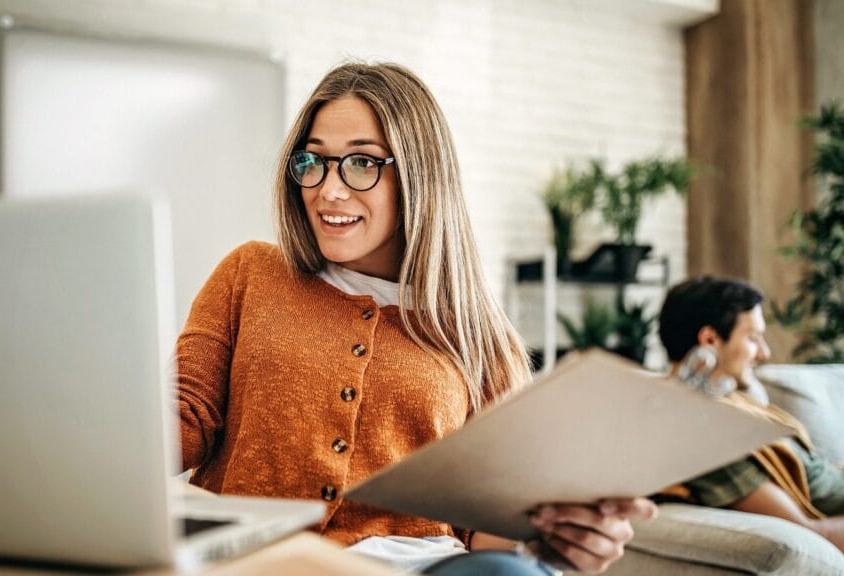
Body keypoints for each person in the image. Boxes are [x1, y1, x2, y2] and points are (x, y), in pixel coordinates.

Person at [177, 62, 656, 575]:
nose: (328, 190)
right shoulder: (250, 273)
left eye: (361, 163)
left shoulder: (477, 337)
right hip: (267, 561)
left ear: (418, 175)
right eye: (312, 160)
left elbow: (482, 527)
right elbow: (184, 415)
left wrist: (555, 539)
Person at [657, 275, 844, 552]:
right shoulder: (706, 435)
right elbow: (811, 536)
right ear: (709, 339)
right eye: (753, 338)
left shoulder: (732, 406)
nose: (764, 353)